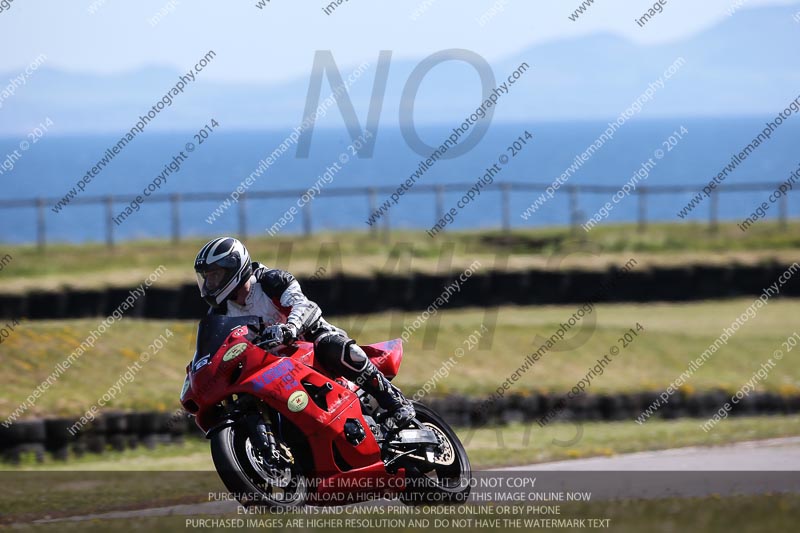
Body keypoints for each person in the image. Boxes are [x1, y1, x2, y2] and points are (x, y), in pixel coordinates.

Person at [194, 236, 415, 430]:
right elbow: (219, 345)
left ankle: (394, 401)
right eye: (206, 277)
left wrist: (289, 328)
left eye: (215, 275)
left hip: (309, 343)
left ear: (234, 268)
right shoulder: (220, 311)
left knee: (332, 346)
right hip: (272, 365)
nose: (209, 283)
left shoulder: (271, 281)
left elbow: (304, 305)